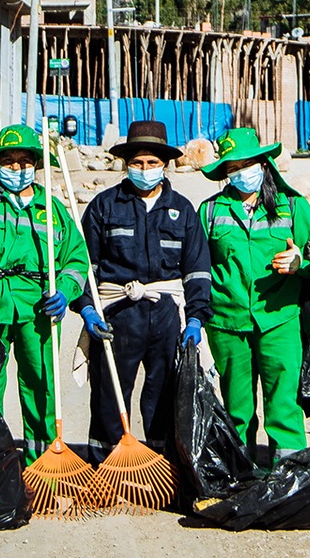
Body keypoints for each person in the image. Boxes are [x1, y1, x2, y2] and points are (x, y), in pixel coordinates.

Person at [0, 123, 88, 459]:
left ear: (36, 165)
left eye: (24, 161)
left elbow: (75, 258)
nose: (16, 168)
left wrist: (66, 292)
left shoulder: (53, 210)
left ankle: (43, 466)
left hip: (36, 307)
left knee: (41, 385)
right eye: (8, 161)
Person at [78, 119, 212, 451]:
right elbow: (84, 266)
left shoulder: (182, 210)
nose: (145, 169)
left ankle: (161, 465)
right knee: (110, 395)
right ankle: (104, 466)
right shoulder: (104, 207)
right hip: (118, 312)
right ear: (126, 165)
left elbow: (197, 269)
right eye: (137, 163)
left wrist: (195, 318)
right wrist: (87, 309)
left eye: (152, 163)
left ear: (164, 165)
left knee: (164, 396)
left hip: (166, 314)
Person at [199, 126, 310, 454]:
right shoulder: (210, 211)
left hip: (279, 319)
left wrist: (301, 262)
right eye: (232, 168)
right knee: (237, 408)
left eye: (246, 164)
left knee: (283, 407)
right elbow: (198, 266)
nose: (240, 173)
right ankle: (242, 476)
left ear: (264, 164)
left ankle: (289, 475)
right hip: (227, 323)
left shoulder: (293, 206)